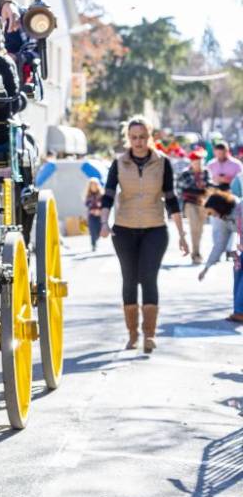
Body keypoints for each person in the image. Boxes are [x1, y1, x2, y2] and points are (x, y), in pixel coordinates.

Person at [99, 116, 188, 353]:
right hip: (125, 229)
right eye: (134, 137)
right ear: (128, 138)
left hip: (155, 228)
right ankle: (132, 334)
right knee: (129, 279)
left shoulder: (163, 163)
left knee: (148, 278)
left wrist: (182, 234)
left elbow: (171, 198)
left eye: (142, 137)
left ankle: (150, 335)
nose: (138, 142)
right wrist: (103, 222)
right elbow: (107, 195)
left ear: (150, 137)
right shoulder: (119, 163)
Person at [198, 191, 243, 322]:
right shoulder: (225, 219)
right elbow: (220, 244)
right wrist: (206, 268)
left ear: (220, 206)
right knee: (237, 269)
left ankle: (240, 312)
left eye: (212, 213)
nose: (213, 216)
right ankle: (239, 311)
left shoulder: (240, 209)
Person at [207, 142, 241, 259]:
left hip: (230, 196)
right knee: (216, 224)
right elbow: (207, 180)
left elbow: (240, 180)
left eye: (222, 153)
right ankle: (217, 247)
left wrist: (228, 179)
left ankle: (228, 249)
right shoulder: (211, 164)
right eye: (218, 153)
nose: (220, 155)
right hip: (215, 196)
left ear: (227, 152)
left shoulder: (236, 164)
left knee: (230, 222)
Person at [178, 150, 212, 264]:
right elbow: (179, 189)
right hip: (190, 202)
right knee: (194, 227)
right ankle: (195, 253)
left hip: (202, 203)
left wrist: (206, 187)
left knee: (200, 229)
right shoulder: (185, 173)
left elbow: (210, 186)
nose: (198, 163)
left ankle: (197, 251)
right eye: (196, 161)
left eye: (200, 161)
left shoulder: (206, 172)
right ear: (191, 162)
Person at [84, 177, 104, 251]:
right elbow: (87, 204)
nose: (93, 187)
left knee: (99, 231)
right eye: (92, 185)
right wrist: (93, 210)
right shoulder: (89, 195)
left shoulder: (101, 195)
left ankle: (96, 238)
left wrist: (100, 211)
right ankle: (93, 245)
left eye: (95, 185)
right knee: (92, 230)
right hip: (92, 216)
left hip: (100, 216)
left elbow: (104, 205)